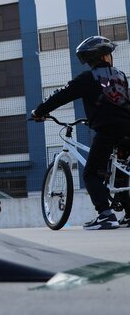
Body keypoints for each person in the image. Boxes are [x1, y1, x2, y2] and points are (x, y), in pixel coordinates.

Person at [32, 36, 130, 230]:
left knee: (91, 173)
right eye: (109, 54)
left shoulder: (86, 79)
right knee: (118, 173)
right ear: (103, 56)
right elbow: (116, 102)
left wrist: (39, 112)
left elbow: (60, 96)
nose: (111, 57)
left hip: (108, 131)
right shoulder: (121, 76)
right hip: (127, 129)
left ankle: (105, 215)